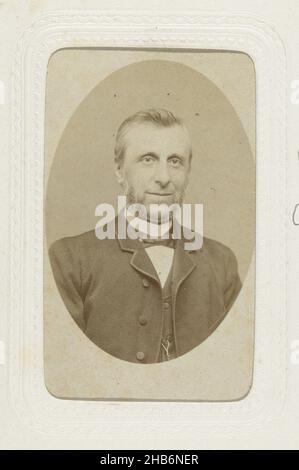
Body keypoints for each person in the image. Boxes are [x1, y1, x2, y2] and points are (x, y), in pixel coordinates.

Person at [49, 108, 242, 364]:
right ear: (119, 170)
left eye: (175, 161)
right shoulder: (70, 260)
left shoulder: (222, 263)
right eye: (148, 159)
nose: (163, 178)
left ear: (188, 172)